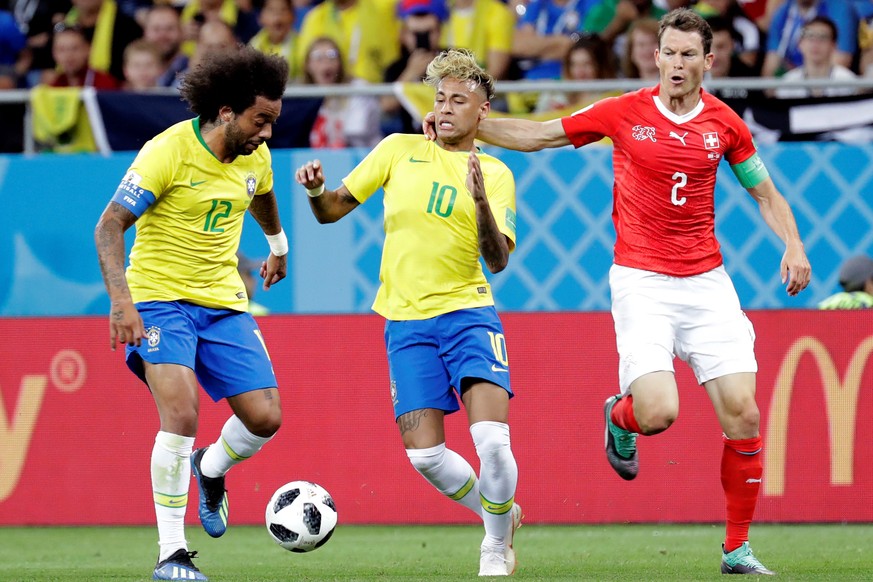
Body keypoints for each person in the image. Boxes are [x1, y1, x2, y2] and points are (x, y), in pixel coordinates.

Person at [425, 8, 811, 575]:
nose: (676, 64)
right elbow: (541, 134)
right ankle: (620, 416)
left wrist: (794, 245)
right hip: (643, 281)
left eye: (688, 55)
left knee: (745, 416)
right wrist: (471, 126)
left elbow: (765, 192)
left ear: (709, 61)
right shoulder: (624, 111)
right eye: (668, 53)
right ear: (654, 56)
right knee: (658, 414)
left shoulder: (725, 124)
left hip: (707, 283)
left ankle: (736, 549)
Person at [295, 48, 522, 577]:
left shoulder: (495, 172)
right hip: (406, 323)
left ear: (482, 111)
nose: (445, 108)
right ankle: (502, 516)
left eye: (458, 100)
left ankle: (493, 547)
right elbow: (331, 212)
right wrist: (313, 193)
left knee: (491, 441)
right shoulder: (397, 149)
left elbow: (497, 260)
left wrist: (482, 202)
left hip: (469, 314)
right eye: (439, 98)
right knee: (425, 458)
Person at [93, 46, 290, 581]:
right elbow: (109, 226)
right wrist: (122, 300)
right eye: (261, 120)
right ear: (226, 111)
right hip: (159, 299)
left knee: (266, 417)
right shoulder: (168, 152)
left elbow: (262, 192)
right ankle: (172, 555)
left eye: (273, 120)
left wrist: (277, 242)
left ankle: (210, 466)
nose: (267, 133)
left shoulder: (255, 156)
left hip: (223, 301)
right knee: (180, 415)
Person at [774, 16, 859, 99]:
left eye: (823, 37)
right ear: (800, 44)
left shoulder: (848, 81)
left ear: (834, 45)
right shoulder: (788, 83)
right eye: (810, 37)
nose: (816, 43)